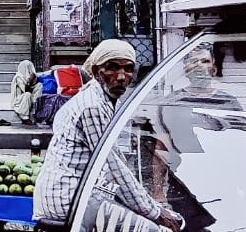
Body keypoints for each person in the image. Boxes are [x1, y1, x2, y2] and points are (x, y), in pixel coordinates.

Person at [33, 39, 181, 232]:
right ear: (96, 72)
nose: (121, 76)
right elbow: (114, 167)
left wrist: (148, 202)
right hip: (68, 200)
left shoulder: (108, 101)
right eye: (112, 68)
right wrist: (154, 212)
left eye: (128, 69)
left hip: (85, 195)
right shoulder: (92, 106)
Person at [11, 59, 40, 125]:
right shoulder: (18, 77)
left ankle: (36, 106)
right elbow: (25, 90)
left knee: (39, 85)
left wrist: (34, 79)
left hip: (30, 95)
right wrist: (30, 81)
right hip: (20, 99)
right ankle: (24, 116)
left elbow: (34, 86)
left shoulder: (31, 76)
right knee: (27, 94)